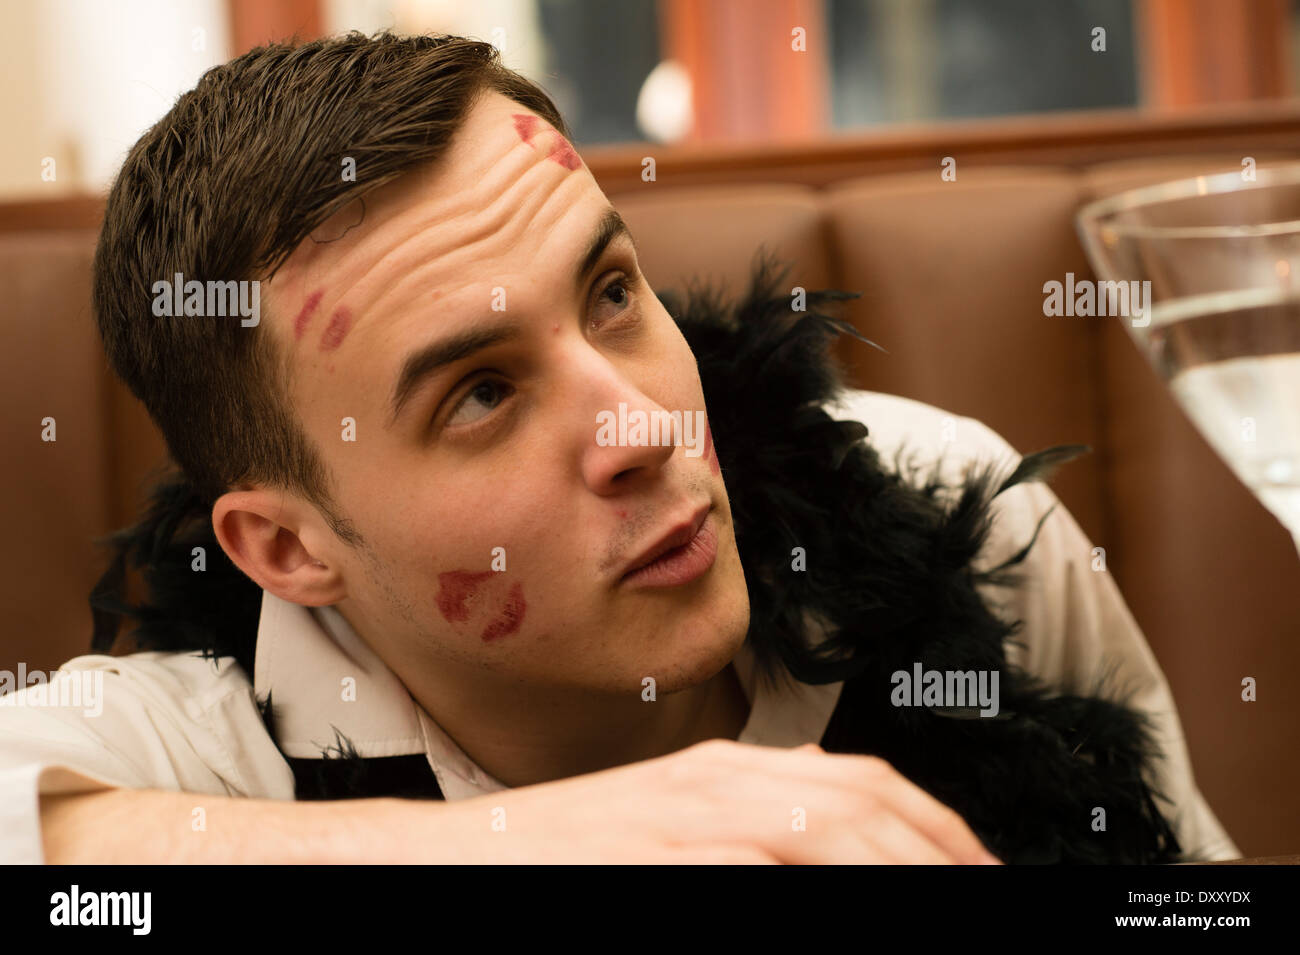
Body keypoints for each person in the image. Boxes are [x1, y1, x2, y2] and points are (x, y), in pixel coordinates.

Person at [0, 31, 1237, 865]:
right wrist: (537, 842)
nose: (640, 426)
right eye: (479, 394)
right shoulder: (194, 751)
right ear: (286, 545)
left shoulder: (962, 509)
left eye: (608, 293)